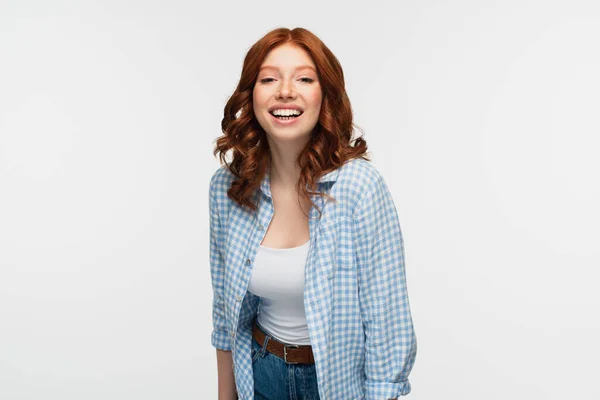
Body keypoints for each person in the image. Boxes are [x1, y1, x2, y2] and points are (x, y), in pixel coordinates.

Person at [209, 27, 417, 400]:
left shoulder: (360, 187)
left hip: (336, 384)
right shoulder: (227, 189)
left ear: (326, 96)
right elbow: (226, 319)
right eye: (269, 78)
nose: (285, 90)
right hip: (260, 372)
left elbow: (388, 325)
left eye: (304, 78)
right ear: (250, 95)